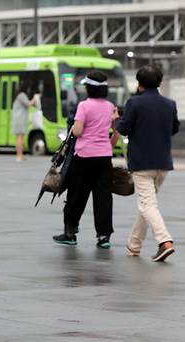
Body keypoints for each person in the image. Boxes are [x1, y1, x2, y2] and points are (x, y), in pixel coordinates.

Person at [116, 65, 179, 262]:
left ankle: (165, 241)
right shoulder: (170, 104)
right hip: (163, 163)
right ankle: (134, 244)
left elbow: (124, 129)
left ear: (139, 83)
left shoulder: (134, 103)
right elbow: (174, 129)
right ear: (160, 83)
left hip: (142, 163)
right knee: (146, 205)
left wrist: (117, 119)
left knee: (147, 205)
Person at [52, 71, 120, 249]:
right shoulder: (110, 106)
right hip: (104, 157)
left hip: (84, 157)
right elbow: (116, 133)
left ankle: (70, 233)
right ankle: (104, 236)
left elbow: (78, 131)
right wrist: (108, 145)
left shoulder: (83, 106)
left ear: (88, 88)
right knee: (103, 197)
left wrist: (75, 124)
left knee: (77, 195)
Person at [12, 81, 36, 161]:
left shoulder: (19, 95)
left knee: (20, 137)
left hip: (18, 118)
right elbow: (28, 104)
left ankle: (20, 155)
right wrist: (35, 98)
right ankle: (19, 156)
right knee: (20, 137)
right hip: (20, 119)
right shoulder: (22, 95)